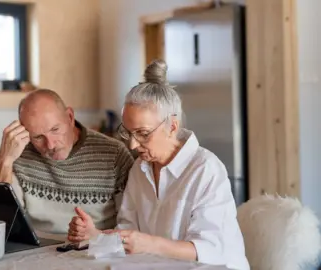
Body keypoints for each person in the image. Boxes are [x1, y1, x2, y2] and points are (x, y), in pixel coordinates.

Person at [67, 59, 249, 270]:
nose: (133, 145)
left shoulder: (205, 169)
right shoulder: (139, 169)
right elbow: (129, 236)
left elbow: (210, 249)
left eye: (143, 134)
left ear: (172, 126)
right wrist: (95, 235)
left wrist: (148, 244)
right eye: (128, 132)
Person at [0, 89, 134, 236]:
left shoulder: (114, 154)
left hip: (95, 249)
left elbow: (131, 228)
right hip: (35, 250)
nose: (51, 145)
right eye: (38, 137)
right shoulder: (19, 153)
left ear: (70, 117)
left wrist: (97, 235)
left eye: (55, 129)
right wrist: (4, 161)